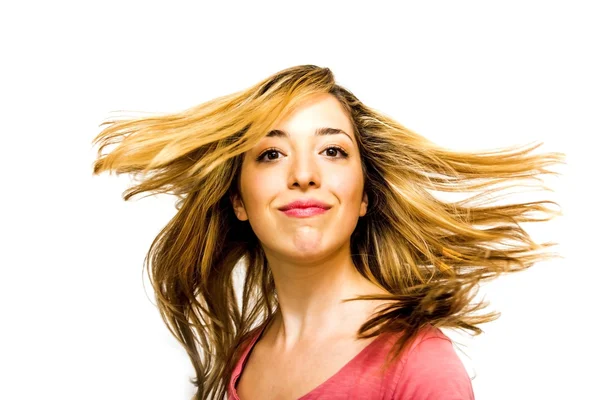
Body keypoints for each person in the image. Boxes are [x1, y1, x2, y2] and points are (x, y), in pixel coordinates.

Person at [91, 65, 564, 399]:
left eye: (332, 151)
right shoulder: (245, 358)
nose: (303, 174)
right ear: (238, 199)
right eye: (271, 154)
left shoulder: (418, 366)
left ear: (364, 197)